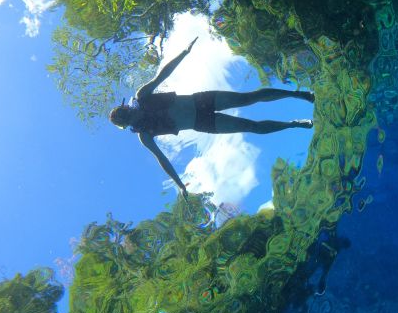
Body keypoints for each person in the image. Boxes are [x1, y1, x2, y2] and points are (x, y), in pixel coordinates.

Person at [109, 37, 315, 198]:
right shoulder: (144, 135)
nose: (132, 111)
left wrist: (184, 53)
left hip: (200, 101)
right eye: (128, 115)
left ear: (127, 106)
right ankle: (293, 125)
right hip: (202, 123)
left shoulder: (142, 96)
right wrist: (180, 184)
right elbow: (162, 159)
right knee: (253, 127)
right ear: (128, 123)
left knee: (249, 98)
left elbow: (163, 75)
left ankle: (298, 95)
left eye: (128, 109)